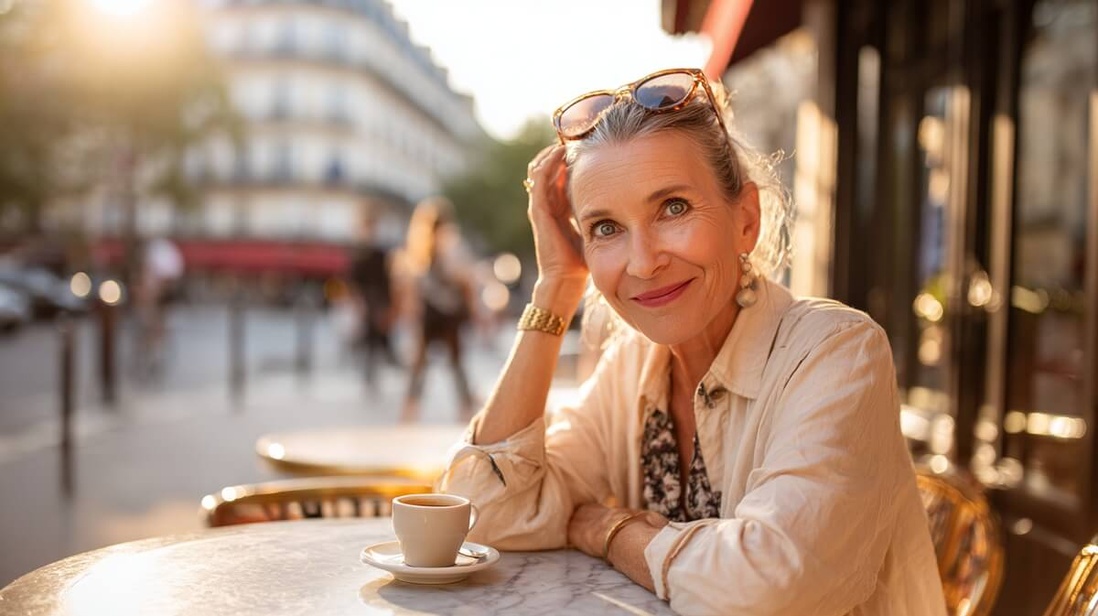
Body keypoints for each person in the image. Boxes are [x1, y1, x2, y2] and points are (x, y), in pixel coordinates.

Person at [437, 68, 946, 615]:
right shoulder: (634, 365)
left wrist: (610, 529)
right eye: (605, 228)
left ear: (745, 220)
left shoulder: (836, 353)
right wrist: (556, 289)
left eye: (673, 208)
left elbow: (767, 588)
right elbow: (483, 515)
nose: (643, 261)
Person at [399, 197, 478, 422]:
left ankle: (414, 410)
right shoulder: (431, 247)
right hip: (436, 312)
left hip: (442, 312)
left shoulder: (445, 246)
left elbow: (463, 279)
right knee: (432, 363)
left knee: (449, 362)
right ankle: (415, 409)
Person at [348, 213, 400, 386]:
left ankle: (384, 358)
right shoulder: (358, 254)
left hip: (379, 299)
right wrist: (358, 302)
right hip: (367, 299)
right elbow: (353, 282)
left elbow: (387, 280)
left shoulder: (379, 254)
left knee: (379, 332)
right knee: (371, 335)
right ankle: (372, 370)